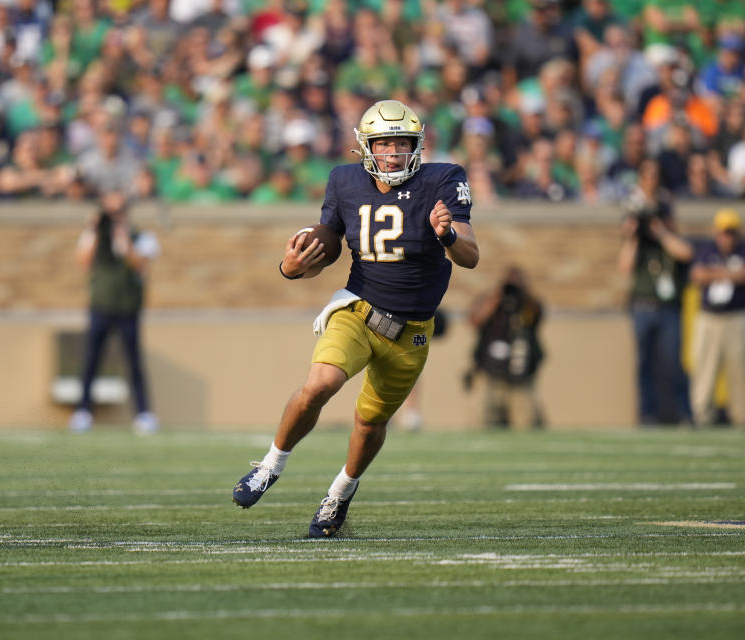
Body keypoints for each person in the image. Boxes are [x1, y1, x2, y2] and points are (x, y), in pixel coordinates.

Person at [231, 99, 480, 537]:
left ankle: (338, 496)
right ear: (366, 147)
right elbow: (325, 245)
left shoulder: (443, 179)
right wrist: (292, 265)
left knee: (369, 423)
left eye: (401, 143)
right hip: (358, 310)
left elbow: (471, 257)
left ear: (417, 146)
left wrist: (448, 234)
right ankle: (270, 464)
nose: (392, 153)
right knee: (319, 385)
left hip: (412, 332)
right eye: (383, 143)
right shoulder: (345, 181)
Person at [69, 190, 161, 435]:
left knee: (133, 361)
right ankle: (83, 411)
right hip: (101, 305)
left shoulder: (141, 236)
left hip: (128, 307)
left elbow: (139, 262)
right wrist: (96, 232)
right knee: (91, 359)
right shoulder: (95, 235)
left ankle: (143, 413)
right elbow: (84, 261)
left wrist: (123, 238)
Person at [617, 157, 694, 425]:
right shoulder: (635, 220)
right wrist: (633, 235)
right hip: (643, 304)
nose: (651, 180)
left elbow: (685, 253)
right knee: (644, 365)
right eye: (646, 175)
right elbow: (625, 267)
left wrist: (661, 232)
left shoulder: (664, 215)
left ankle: (684, 413)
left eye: (655, 175)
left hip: (669, 305)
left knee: (674, 363)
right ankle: (647, 415)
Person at [465, 266, 546, 429]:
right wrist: (496, 298)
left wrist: (523, 294)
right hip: (489, 373)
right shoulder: (492, 300)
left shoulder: (527, 304)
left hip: (520, 375)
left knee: (527, 422)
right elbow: (474, 321)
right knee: (482, 421)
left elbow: (537, 315)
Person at [689, 208, 745, 426]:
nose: (727, 237)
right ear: (717, 232)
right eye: (723, 232)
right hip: (710, 317)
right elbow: (698, 274)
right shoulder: (707, 249)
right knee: (705, 367)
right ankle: (702, 415)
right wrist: (730, 274)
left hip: (736, 317)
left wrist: (715, 273)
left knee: (739, 369)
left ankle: (741, 416)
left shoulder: (742, 250)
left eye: (731, 232)